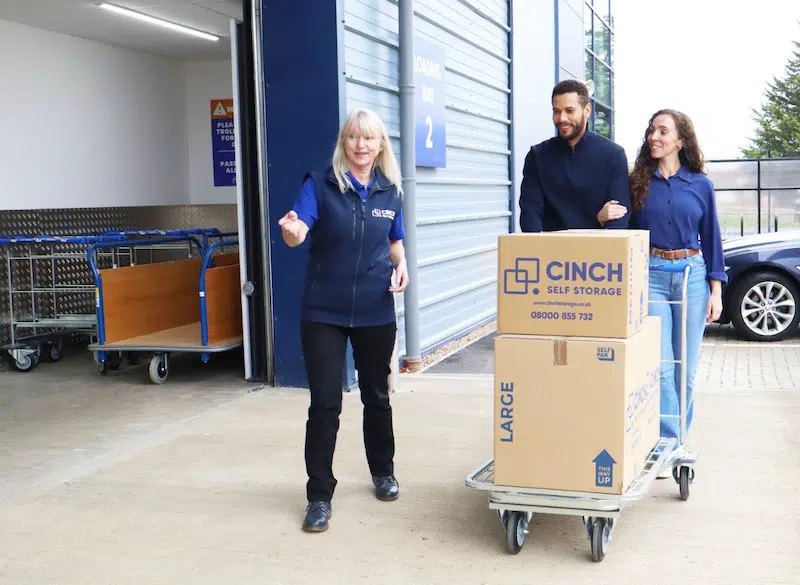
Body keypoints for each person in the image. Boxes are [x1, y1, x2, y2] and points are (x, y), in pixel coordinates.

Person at [278, 108, 409, 532]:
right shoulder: (319, 184)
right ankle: (319, 495)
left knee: (377, 396)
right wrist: (292, 231)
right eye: (353, 137)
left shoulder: (391, 191)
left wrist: (402, 265)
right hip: (324, 311)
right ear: (344, 142)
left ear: (380, 145)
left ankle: (383, 472)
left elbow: (395, 240)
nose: (360, 145)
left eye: (369, 138)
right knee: (326, 404)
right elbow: (297, 229)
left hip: (375, 308)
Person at [629, 109, 726, 473]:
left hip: (692, 274)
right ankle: (669, 444)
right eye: (651, 130)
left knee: (685, 369)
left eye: (663, 131)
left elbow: (713, 238)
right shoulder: (638, 181)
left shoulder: (700, 184)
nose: (654, 136)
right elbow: (625, 229)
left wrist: (716, 290)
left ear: (680, 141)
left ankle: (678, 439)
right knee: (663, 367)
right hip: (652, 274)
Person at [519, 79, 631, 232]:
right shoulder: (537, 156)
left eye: (569, 111)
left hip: (598, 251)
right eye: (556, 111)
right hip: (550, 251)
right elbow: (530, 214)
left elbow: (618, 218)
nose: (562, 118)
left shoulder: (613, 155)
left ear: (587, 110)